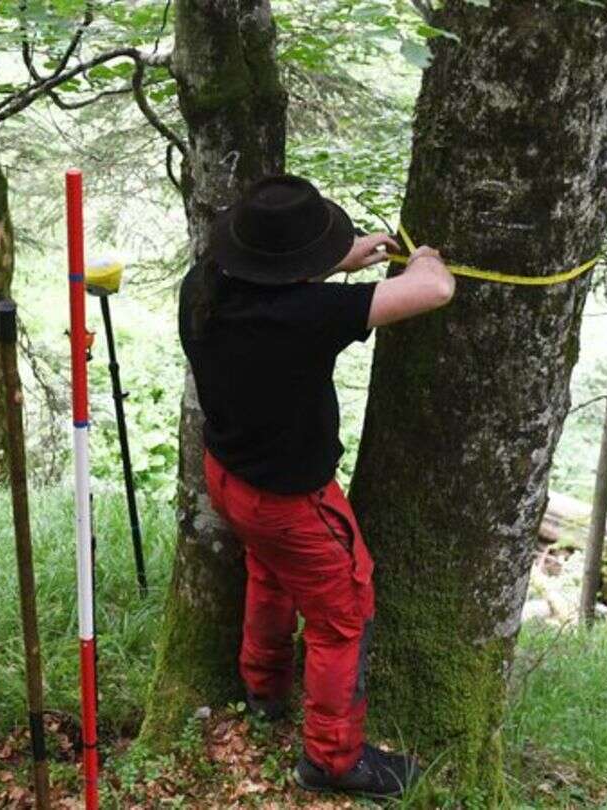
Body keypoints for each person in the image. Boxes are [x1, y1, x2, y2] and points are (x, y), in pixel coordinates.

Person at [178, 175, 455, 800]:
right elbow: (433, 287)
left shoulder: (205, 286)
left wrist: (343, 256)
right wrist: (430, 256)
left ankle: (264, 690)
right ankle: (331, 761)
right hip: (291, 503)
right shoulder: (309, 316)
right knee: (343, 616)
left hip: (228, 477)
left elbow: (277, 291)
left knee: (270, 574)